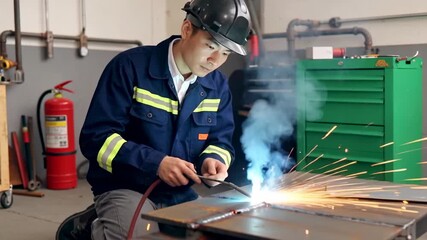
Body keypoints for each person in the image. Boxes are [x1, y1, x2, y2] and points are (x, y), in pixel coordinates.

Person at [56, 0, 251, 239]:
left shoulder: (217, 86)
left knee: (213, 234)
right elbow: (96, 139)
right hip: (125, 187)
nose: (215, 60)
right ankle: (90, 227)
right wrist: (155, 163)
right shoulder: (130, 67)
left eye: (225, 53)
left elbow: (221, 141)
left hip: (178, 194)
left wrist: (213, 159)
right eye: (210, 46)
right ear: (187, 29)